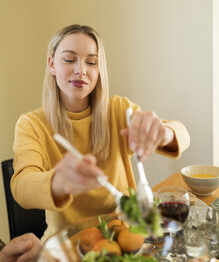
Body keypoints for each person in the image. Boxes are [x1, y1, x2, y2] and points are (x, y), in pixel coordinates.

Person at [11, 24, 190, 242]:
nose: (81, 70)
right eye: (69, 60)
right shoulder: (32, 124)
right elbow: (21, 187)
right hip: (67, 246)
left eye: (91, 62)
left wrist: (164, 133)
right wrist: (59, 181)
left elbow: (182, 133)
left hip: (125, 236)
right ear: (52, 64)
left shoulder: (118, 110)